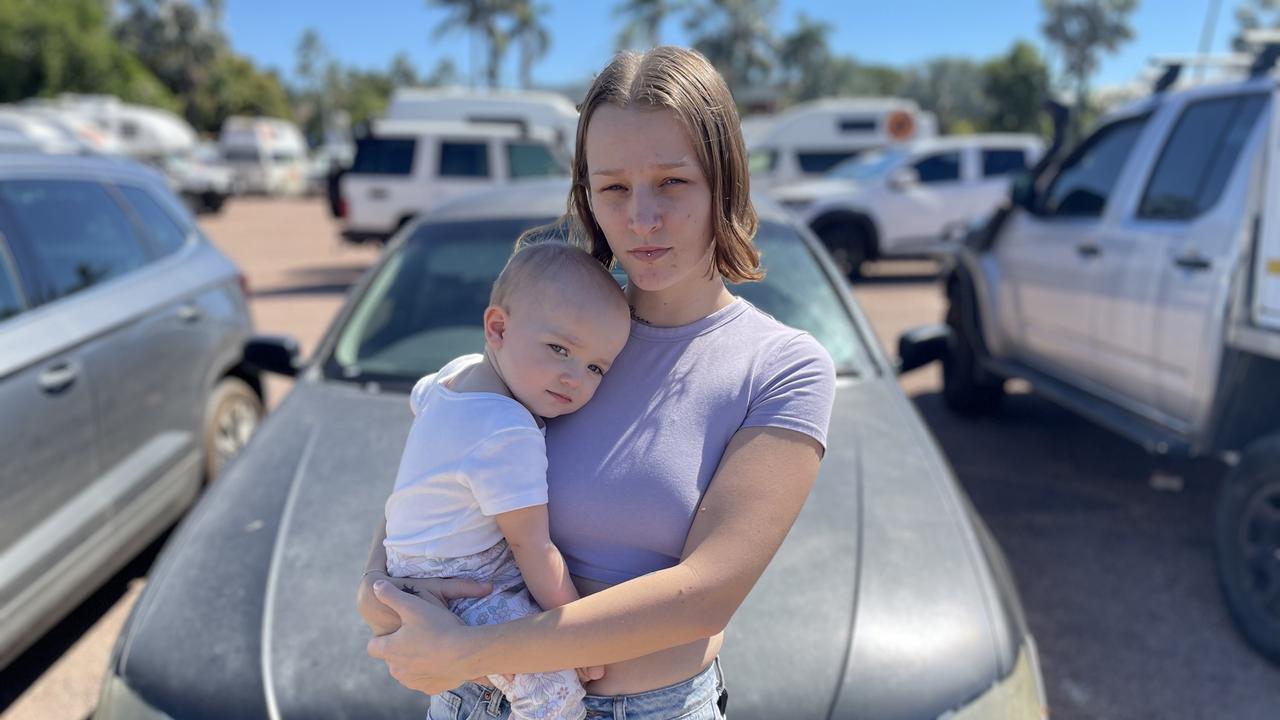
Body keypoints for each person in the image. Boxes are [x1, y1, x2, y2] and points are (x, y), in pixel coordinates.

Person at [358, 45, 836, 720]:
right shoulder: (560, 329)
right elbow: (437, 472)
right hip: (474, 702)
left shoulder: (783, 367)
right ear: (587, 194)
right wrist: (380, 589)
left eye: (672, 182)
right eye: (613, 187)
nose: (641, 218)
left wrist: (468, 648)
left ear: (725, 180)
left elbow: (706, 594)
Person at [380, 242, 630, 720]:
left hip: (414, 564)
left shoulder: (453, 376)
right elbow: (532, 549)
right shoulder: (507, 428)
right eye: (559, 349)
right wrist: (578, 639)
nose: (574, 377)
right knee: (551, 685)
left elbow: (420, 398)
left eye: (596, 367)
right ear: (497, 328)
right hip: (467, 582)